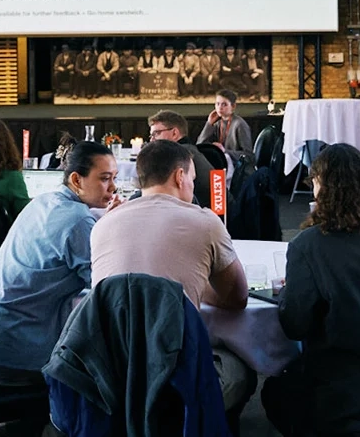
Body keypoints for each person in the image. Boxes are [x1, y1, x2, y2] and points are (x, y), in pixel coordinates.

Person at [0, 141, 120, 437]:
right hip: (12, 351)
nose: (113, 188)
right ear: (77, 180)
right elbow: (106, 285)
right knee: (102, 378)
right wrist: (114, 229)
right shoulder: (79, 222)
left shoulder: (44, 203)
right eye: (105, 179)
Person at [261, 143, 360, 437]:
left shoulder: (310, 244)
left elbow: (296, 325)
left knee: (274, 392)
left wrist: (290, 291)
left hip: (340, 389)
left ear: (323, 188)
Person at [91, 138, 255, 411]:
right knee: (242, 373)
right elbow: (237, 298)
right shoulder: (205, 222)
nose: (192, 185)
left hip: (111, 373)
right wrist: (188, 284)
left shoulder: (102, 224)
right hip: (177, 373)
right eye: (191, 178)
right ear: (180, 177)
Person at [148, 108, 213, 210]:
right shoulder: (187, 149)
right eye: (151, 135)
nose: (152, 140)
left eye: (156, 133)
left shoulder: (176, 156)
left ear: (174, 133)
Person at [198, 88, 253, 155]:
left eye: (224, 104)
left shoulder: (240, 124)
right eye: (217, 104)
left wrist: (225, 151)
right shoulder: (218, 124)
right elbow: (199, 146)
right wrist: (209, 123)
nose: (220, 107)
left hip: (235, 164)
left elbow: (248, 155)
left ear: (233, 106)